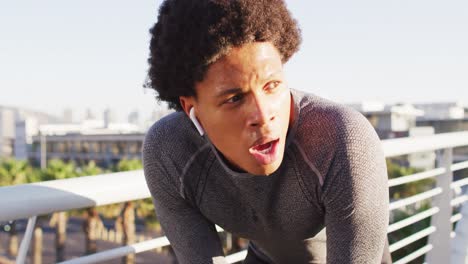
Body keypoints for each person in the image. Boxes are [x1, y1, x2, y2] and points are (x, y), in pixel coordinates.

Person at [143, 0, 392, 263]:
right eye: (234, 99)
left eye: (272, 85)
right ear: (192, 109)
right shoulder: (170, 153)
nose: (263, 116)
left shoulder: (343, 141)